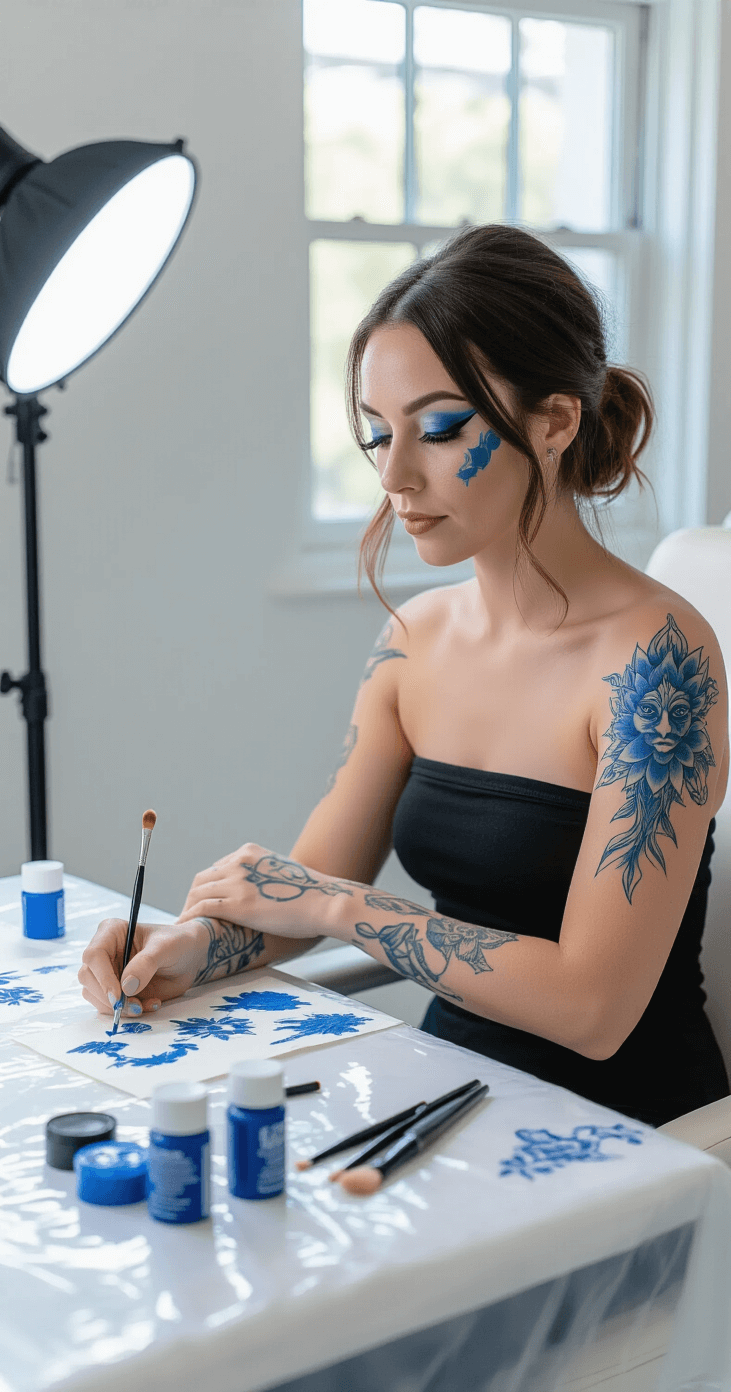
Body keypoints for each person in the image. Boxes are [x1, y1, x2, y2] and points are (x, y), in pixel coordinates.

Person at [79, 225, 729, 1128]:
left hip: (634, 1136)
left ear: (554, 421)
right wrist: (189, 946)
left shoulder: (659, 662)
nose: (393, 473)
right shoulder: (412, 641)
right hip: (450, 1102)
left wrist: (339, 906)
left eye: (439, 428)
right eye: (378, 435)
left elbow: (593, 1010)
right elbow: (308, 888)